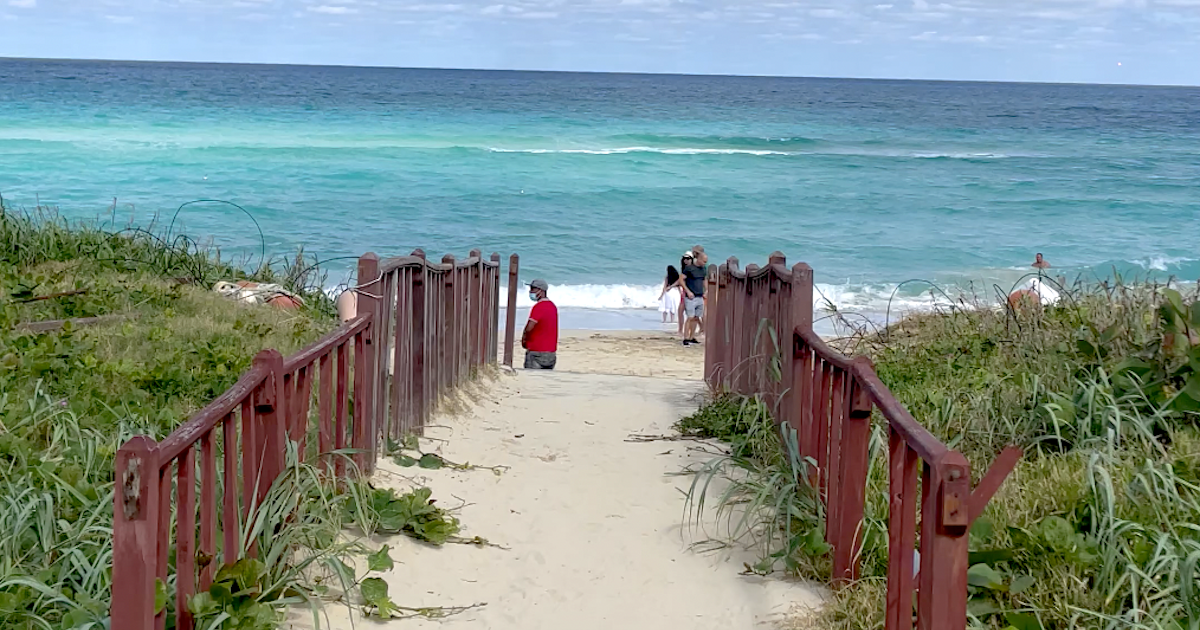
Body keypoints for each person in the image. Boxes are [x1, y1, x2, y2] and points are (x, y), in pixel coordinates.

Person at [521, 279, 558, 369]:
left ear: (540, 291)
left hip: (536, 351)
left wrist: (524, 339)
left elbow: (529, 327)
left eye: (533, 289)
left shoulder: (538, 307)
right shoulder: (553, 307)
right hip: (551, 352)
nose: (530, 291)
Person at [680, 251, 707, 346]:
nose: (705, 263)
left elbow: (704, 280)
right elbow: (681, 279)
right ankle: (686, 337)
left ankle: (692, 337)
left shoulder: (703, 269)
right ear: (698, 259)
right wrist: (687, 291)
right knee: (690, 317)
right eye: (704, 261)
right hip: (691, 296)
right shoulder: (689, 268)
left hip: (700, 296)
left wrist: (706, 290)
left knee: (696, 317)